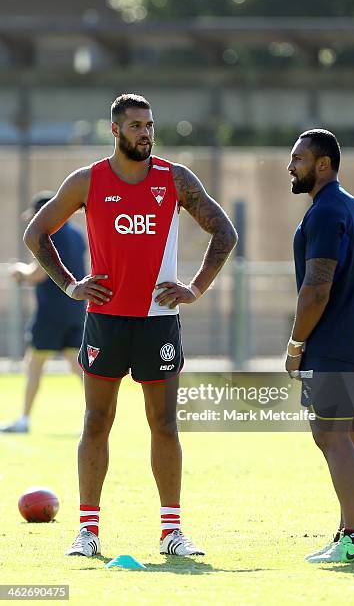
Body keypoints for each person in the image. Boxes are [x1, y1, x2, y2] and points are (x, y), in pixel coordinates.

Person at [23, 93, 237, 557]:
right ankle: (88, 532)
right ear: (115, 130)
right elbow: (35, 233)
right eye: (137, 125)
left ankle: (172, 532)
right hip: (104, 321)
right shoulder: (87, 181)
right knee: (96, 421)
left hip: (159, 321)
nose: (146, 132)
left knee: (164, 423)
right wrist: (71, 285)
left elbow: (225, 231)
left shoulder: (174, 179)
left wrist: (195, 288)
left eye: (150, 125)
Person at [285, 129, 354, 563]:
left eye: (299, 159)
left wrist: (296, 343)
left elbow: (316, 290)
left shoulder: (324, 212)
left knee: (330, 435)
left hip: (332, 343)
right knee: (349, 436)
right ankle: (349, 531)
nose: (291, 167)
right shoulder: (351, 204)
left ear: (323, 164)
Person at [0, 191, 86, 434]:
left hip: (51, 313)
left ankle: (24, 420)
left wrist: (20, 273)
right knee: (78, 367)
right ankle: (98, 417)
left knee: (34, 364)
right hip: (76, 311)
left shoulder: (49, 233)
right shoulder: (78, 235)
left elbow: (38, 273)